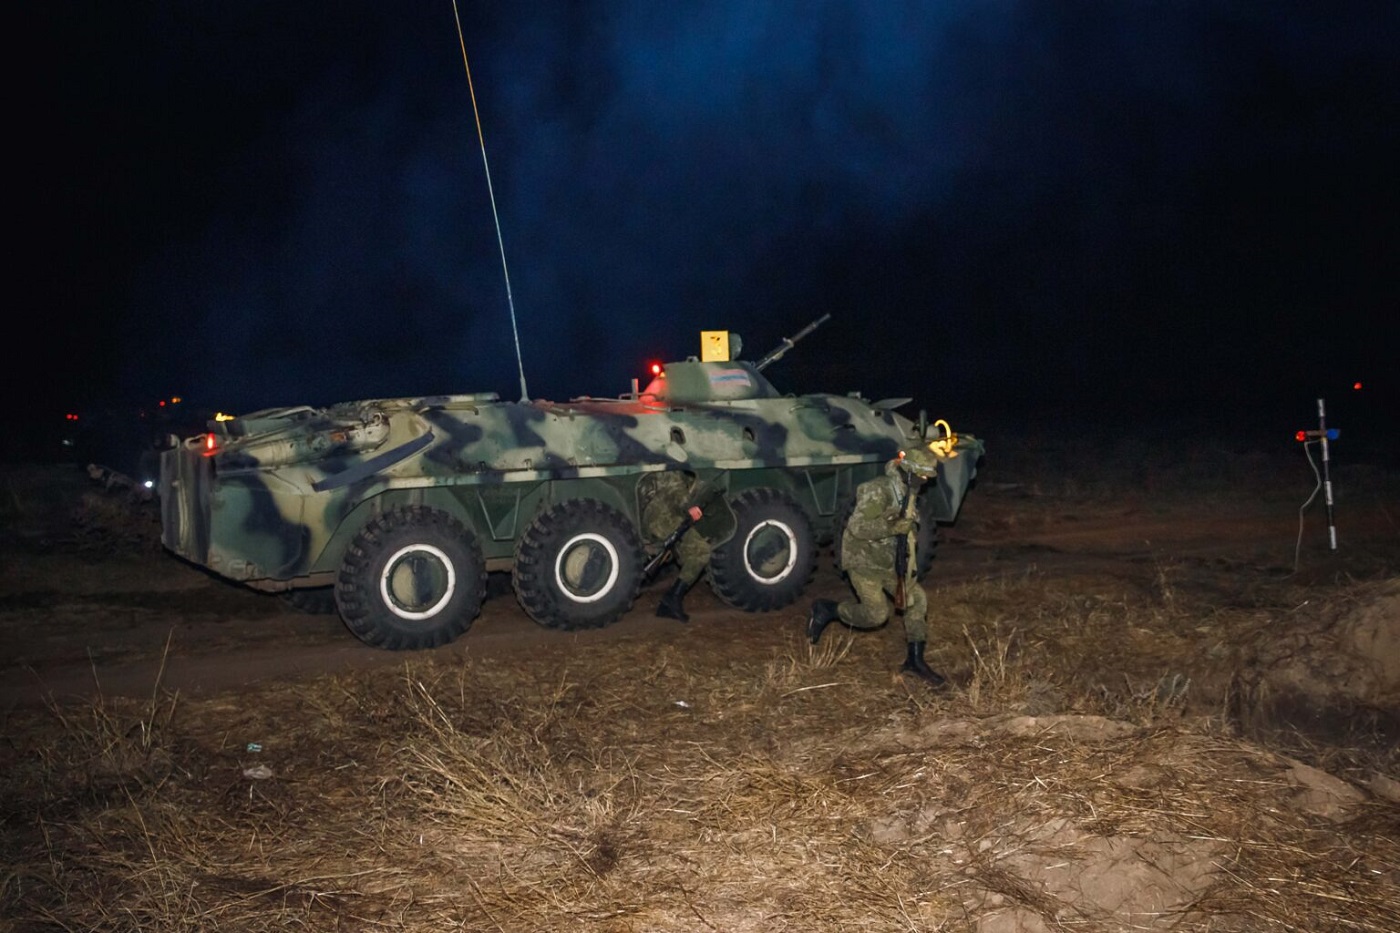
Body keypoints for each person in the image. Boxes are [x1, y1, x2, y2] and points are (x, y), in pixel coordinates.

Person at [806, 444, 946, 686]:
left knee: (917, 600)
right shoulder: (878, 490)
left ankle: (915, 661)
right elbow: (856, 528)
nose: (925, 481)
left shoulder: (909, 490)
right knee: (876, 615)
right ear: (909, 471)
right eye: (922, 476)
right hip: (863, 560)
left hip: (890, 561)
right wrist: (891, 527)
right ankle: (830, 610)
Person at [640, 471, 735, 622]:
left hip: (664, 514)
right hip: (662, 516)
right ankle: (672, 600)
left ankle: (671, 600)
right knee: (700, 552)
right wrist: (690, 507)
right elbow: (675, 490)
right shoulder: (673, 468)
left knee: (691, 547)